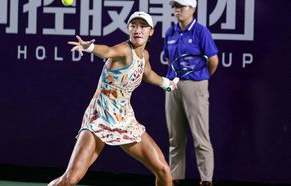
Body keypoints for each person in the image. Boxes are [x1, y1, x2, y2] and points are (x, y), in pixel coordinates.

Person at [47, 11, 176, 186]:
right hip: (99, 116)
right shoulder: (123, 50)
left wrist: (166, 83)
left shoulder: (144, 56)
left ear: (151, 31)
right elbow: (107, 51)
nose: (138, 30)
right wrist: (89, 47)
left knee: (163, 171)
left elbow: (147, 74)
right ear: (128, 29)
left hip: (124, 119)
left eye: (143, 26)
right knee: (71, 179)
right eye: (133, 26)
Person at [163, 0, 219, 186]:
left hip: (195, 86)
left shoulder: (201, 32)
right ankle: (175, 178)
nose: (177, 9)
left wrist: (200, 79)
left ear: (193, 9)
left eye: (182, 6)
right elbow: (169, 58)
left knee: (200, 136)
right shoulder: (170, 32)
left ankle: (206, 180)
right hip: (173, 85)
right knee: (175, 137)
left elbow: (213, 61)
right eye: (175, 6)